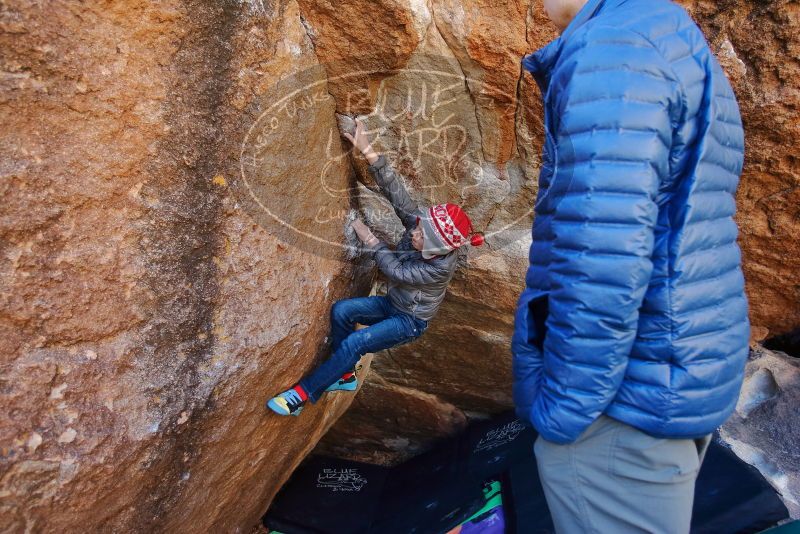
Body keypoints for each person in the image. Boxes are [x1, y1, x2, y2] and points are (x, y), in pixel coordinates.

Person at [512, 0, 749, 532]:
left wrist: (564, 412)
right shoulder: (667, 33)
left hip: (620, 403)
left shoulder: (612, 48)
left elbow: (603, 260)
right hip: (674, 369)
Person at [267, 118, 484, 416]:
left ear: (437, 247)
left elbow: (397, 272)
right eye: (420, 225)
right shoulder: (421, 229)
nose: (415, 231)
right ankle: (343, 375)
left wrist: (369, 238)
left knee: (357, 343)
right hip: (393, 303)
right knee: (342, 311)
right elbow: (399, 197)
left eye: (422, 234)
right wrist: (368, 151)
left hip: (408, 322)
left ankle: (302, 396)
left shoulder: (438, 269)